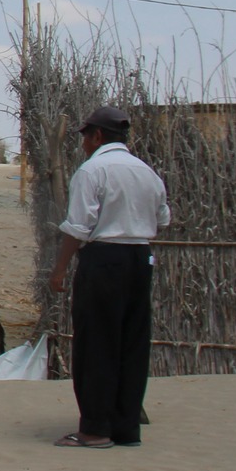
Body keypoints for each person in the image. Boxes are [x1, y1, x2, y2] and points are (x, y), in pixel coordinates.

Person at [48, 105, 168, 449]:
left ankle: (95, 429)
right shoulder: (146, 172)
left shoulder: (93, 170)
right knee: (132, 343)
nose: (83, 144)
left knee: (96, 343)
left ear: (97, 136)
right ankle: (126, 427)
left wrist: (60, 269)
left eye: (85, 136)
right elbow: (163, 218)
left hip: (104, 259)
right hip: (140, 257)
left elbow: (79, 226)